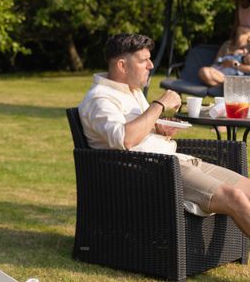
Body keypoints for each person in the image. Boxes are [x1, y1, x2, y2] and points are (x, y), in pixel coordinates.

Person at [78, 33, 250, 236]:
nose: (151, 65)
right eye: (144, 60)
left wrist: (158, 128)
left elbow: (135, 130)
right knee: (235, 198)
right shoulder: (100, 99)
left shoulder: (131, 91)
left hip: (178, 162)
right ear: (122, 66)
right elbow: (124, 139)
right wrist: (158, 105)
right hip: (156, 173)